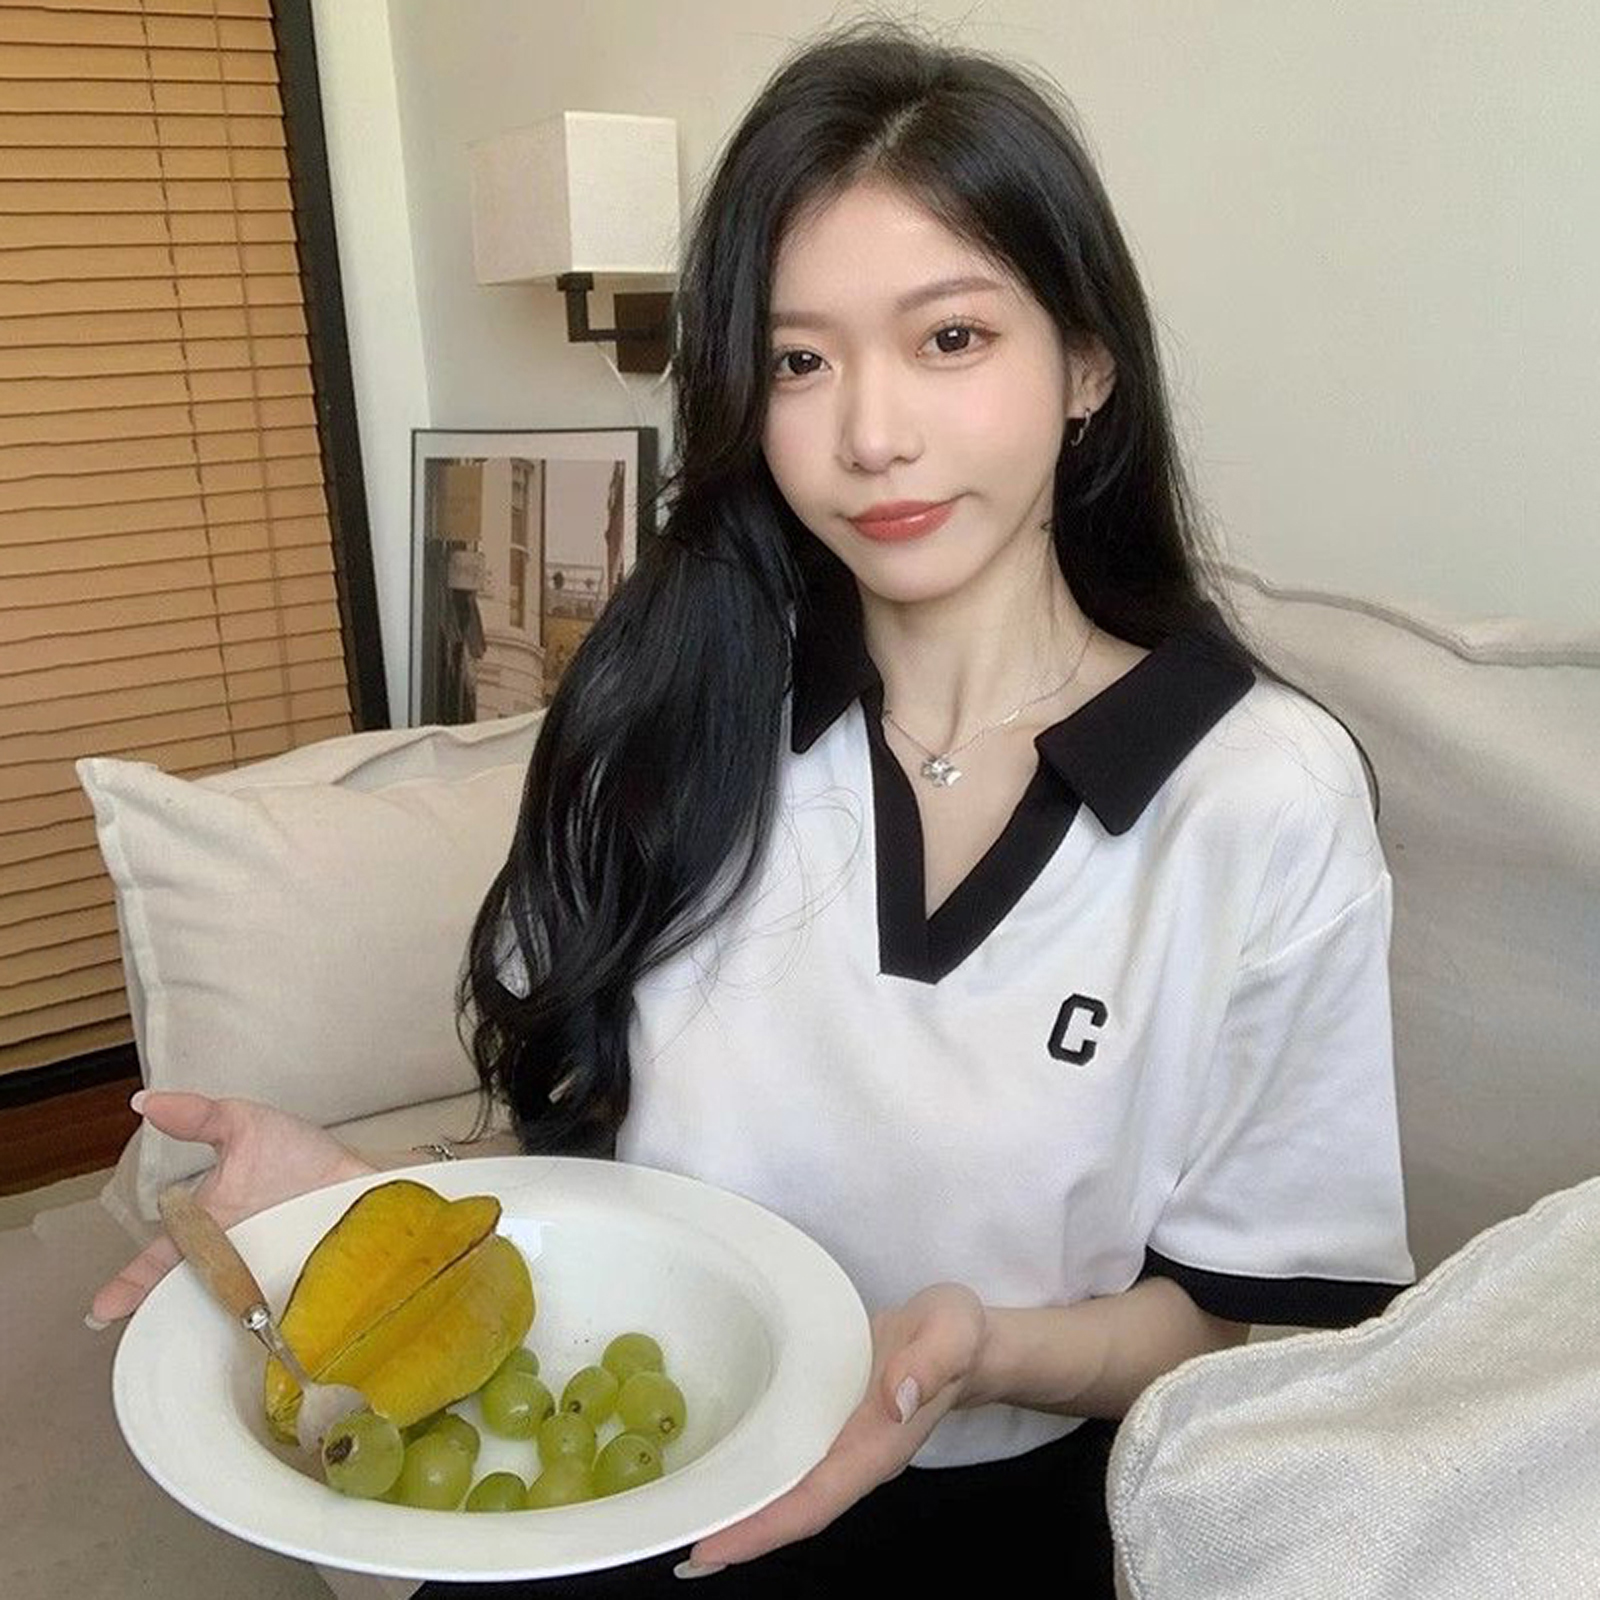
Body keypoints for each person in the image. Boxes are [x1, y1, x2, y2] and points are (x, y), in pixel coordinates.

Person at [88, 17, 1415, 1596]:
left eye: (950, 337)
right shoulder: (681, 704)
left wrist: (982, 1351)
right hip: (620, 1473)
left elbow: (1226, 1318)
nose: (871, 435)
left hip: (979, 1515)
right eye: (800, 360)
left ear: (1087, 362)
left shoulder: (1260, 796)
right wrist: (371, 1208)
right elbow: (594, 1151)